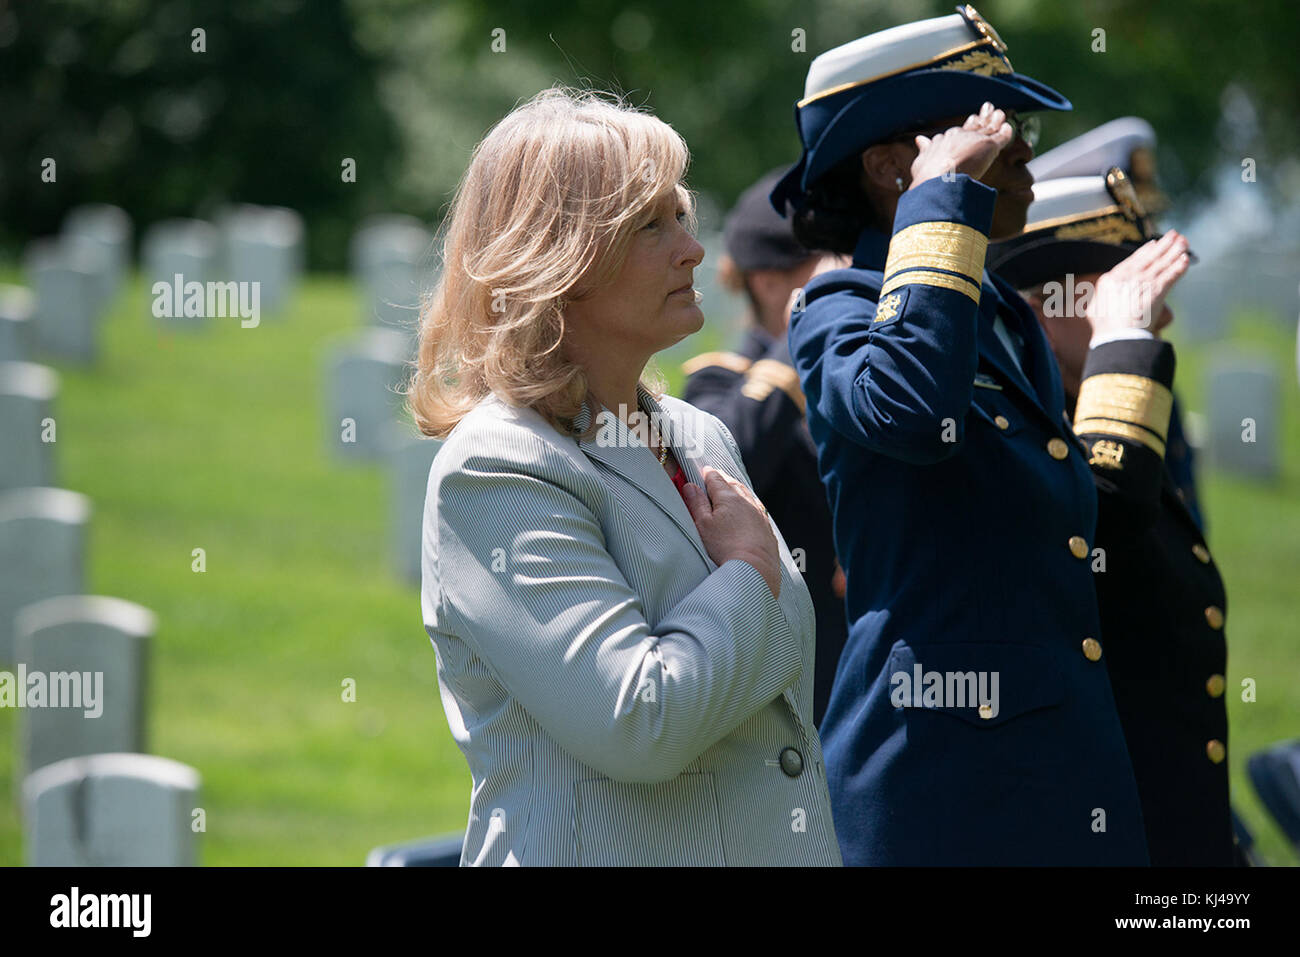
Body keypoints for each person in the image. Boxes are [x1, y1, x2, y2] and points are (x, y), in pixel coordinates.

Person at [408, 88, 841, 866]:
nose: (693, 250)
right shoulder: (499, 466)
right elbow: (639, 721)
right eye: (650, 225)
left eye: (682, 216)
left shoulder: (698, 433)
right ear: (558, 259)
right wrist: (746, 570)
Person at [770, 7, 1154, 865]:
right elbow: (909, 412)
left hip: (1050, 779)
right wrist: (939, 202)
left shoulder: (1001, 312)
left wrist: (1126, 348)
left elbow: (1090, 521)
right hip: (939, 793)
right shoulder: (838, 308)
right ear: (887, 166)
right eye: (985, 131)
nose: (1022, 150)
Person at [989, 167, 1238, 865]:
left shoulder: (1094, 430)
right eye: (1128, 299)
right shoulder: (1015, 443)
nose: (1157, 318)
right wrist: (1120, 345)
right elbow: (1102, 512)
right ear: (1042, 308)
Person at [682, 169, 848, 726]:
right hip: (794, 673)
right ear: (769, 282)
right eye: (829, 266)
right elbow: (731, 461)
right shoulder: (718, 382)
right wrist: (810, 322)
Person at [1026, 118, 1204, 526]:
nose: (1164, 316)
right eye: (1122, 293)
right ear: (1041, 318)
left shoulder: (1152, 388)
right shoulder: (1015, 434)